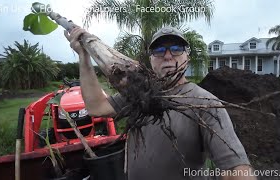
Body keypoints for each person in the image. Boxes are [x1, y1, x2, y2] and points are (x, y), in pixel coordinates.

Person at [65, 26, 257, 180]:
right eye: (159, 50)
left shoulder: (205, 103)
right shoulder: (139, 93)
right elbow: (96, 106)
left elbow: (236, 170)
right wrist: (84, 57)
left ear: (186, 58)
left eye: (176, 49)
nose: (167, 55)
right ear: (151, 60)